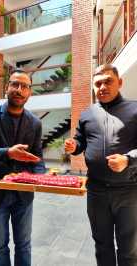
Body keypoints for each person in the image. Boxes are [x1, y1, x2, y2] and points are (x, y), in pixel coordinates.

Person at [65, 64, 137, 266]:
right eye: (98, 83)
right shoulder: (87, 114)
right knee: (102, 245)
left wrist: (128, 160)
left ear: (120, 83)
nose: (103, 87)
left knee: (129, 248)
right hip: (96, 192)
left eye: (108, 81)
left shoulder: (135, 109)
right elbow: (81, 142)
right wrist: (74, 145)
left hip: (129, 191)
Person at [0, 69, 45, 266]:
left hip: (24, 194)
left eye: (25, 86)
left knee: (24, 244)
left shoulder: (35, 122)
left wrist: (41, 177)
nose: (19, 90)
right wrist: (8, 153)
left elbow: (38, 157)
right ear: (7, 87)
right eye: (15, 84)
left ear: (30, 92)